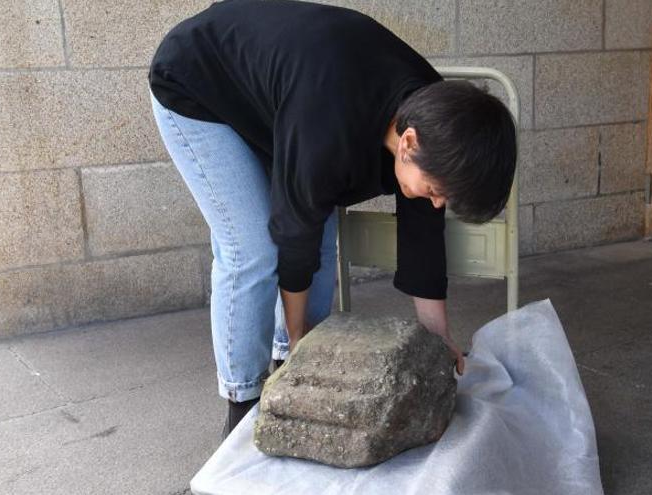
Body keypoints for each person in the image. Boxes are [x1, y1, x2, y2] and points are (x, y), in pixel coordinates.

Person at [148, 0, 516, 438]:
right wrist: (299, 330)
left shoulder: (436, 121)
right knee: (253, 248)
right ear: (408, 143)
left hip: (286, 92)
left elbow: (422, 232)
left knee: (319, 229)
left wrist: (438, 338)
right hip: (196, 84)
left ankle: (292, 365)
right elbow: (295, 234)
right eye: (437, 192)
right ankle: (242, 403)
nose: (437, 204)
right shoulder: (329, 127)